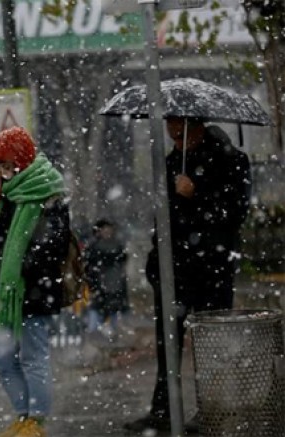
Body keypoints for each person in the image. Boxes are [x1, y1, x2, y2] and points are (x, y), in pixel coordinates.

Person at [124, 117, 251, 434]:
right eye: (171, 135)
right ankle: (164, 409)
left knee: (210, 344)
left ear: (197, 128)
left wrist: (197, 194)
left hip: (212, 267)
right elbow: (164, 215)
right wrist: (156, 261)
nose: (176, 142)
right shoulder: (171, 162)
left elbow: (235, 212)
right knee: (167, 342)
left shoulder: (231, 160)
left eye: (181, 135)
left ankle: (212, 408)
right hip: (174, 268)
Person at [0, 126, 69, 437]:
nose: (4, 172)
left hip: (33, 291)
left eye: (8, 165)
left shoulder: (49, 193)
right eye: (0, 166)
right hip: (6, 292)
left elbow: (53, 245)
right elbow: (2, 241)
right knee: (4, 358)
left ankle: (36, 420)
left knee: (34, 357)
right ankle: (23, 416)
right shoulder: (6, 195)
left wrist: (23, 266)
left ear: (22, 160)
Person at [83, 218, 128, 337]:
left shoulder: (115, 246)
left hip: (112, 286)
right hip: (101, 286)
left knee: (110, 316)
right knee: (97, 315)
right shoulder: (95, 247)